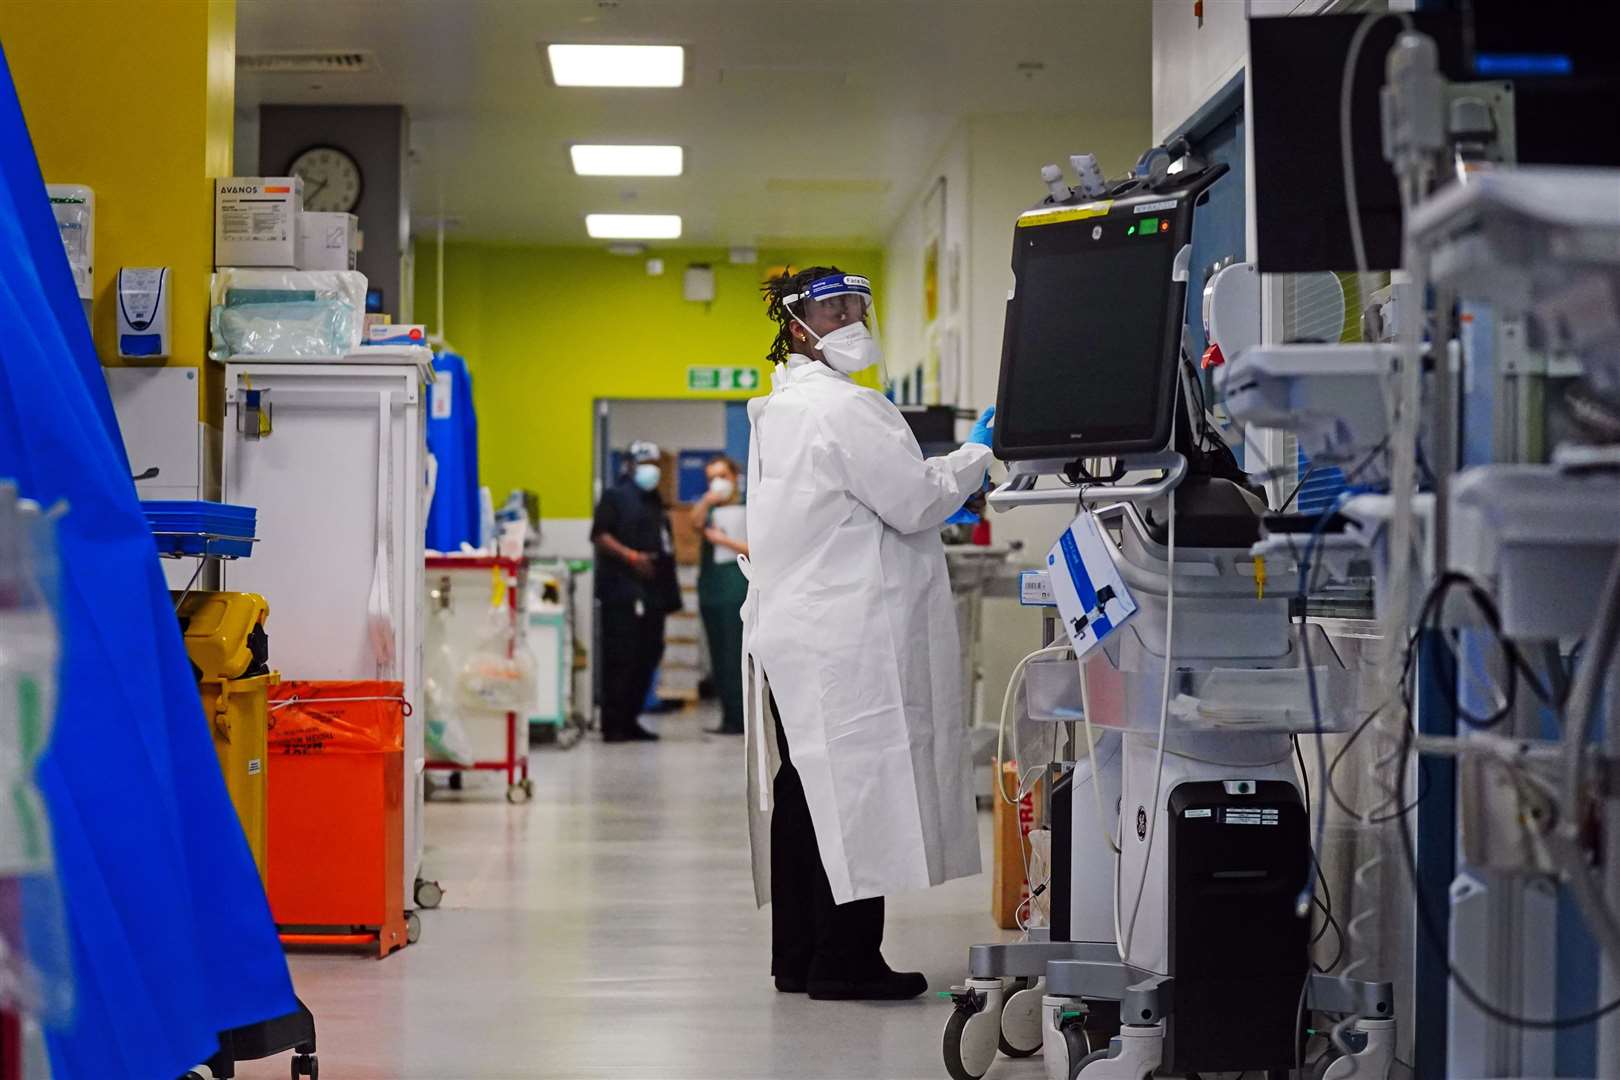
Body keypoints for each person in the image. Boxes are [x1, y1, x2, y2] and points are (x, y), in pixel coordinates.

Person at [739, 266, 996, 1001]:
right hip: (846, 634)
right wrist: (977, 453)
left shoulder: (782, 409)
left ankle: (799, 957)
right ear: (796, 325)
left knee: (805, 794)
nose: (850, 318)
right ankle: (846, 960)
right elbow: (916, 501)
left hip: (798, 630)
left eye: (857, 304)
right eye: (832, 308)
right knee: (855, 790)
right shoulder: (845, 409)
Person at [590, 440, 682, 743]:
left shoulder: (655, 501)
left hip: (653, 595)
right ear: (629, 466)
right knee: (621, 659)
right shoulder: (615, 497)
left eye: (655, 464)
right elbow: (600, 536)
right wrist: (631, 557)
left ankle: (630, 719)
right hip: (623, 593)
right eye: (644, 464)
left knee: (647, 656)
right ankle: (613, 723)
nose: (650, 470)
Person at [688, 455, 748, 736]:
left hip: (738, 590)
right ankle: (728, 717)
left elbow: (756, 548)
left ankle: (741, 718)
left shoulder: (750, 505)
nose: (718, 482)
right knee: (719, 657)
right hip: (713, 591)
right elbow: (694, 522)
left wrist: (724, 541)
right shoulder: (711, 509)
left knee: (736, 656)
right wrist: (708, 500)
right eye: (712, 477)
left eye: (723, 475)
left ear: (735, 476)